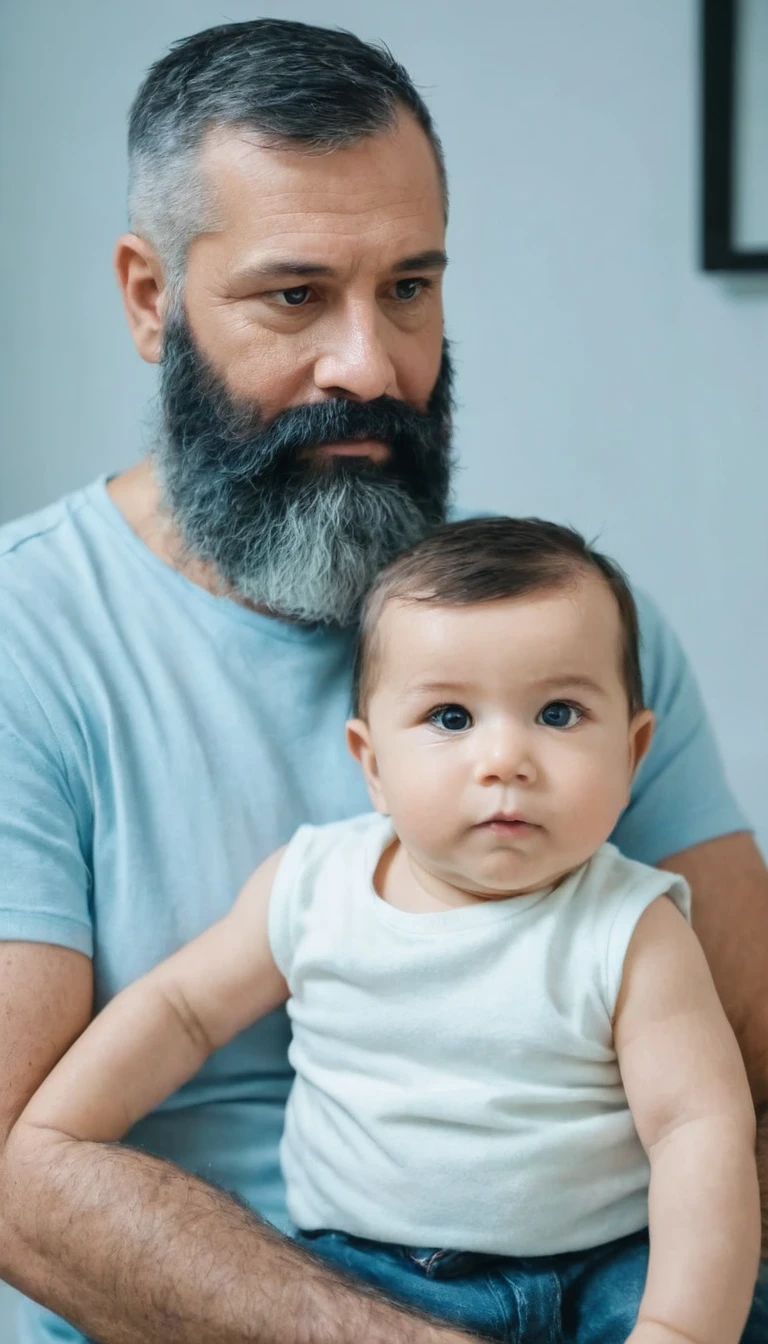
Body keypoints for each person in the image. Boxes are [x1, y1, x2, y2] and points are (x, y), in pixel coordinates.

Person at [0, 17, 765, 1344]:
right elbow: (16, 1171)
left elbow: (749, 1063)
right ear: (149, 299)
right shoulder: (25, 637)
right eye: (297, 296)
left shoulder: (573, 635)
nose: (371, 366)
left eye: (410, 287)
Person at [12, 517, 764, 1344]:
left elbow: (698, 1130)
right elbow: (182, 1011)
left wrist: (675, 1327)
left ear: (634, 754)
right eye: (450, 718)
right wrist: (58, 1128)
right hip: (364, 1275)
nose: (504, 758)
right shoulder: (313, 887)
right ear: (371, 764)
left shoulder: (634, 927)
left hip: (603, 1268)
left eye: (558, 712)